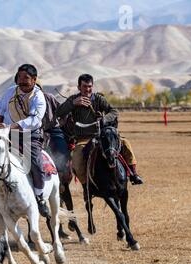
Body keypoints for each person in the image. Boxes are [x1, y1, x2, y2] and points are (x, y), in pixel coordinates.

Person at [55, 74, 144, 202]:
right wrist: (73, 104)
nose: (87, 89)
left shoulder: (98, 99)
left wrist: (104, 119)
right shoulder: (73, 100)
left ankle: (134, 174)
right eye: (84, 87)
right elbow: (59, 112)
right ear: (79, 87)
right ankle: (86, 187)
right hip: (83, 139)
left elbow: (113, 111)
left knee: (126, 143)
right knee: (77, 160)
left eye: (90, 87)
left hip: (102, 135)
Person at [0, 64, 50, 216]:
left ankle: (40, 198)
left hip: (30, 136)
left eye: (26, 78)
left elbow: (35, 120)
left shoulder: (38, 97)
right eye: (20, 77)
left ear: (34, 79)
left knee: (35, 162)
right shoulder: (10, 91)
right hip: (7, 133)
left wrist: (10, 126)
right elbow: (0, 109)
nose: (22, 81)